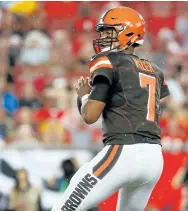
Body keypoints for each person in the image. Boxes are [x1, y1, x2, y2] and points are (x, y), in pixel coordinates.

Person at [52, 7, 170, 211]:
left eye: (109, 32)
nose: (103, 37)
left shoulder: (109, 62)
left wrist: (83, 96)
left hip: (124, 150)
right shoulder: (155, 70)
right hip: (153, 158)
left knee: (65, 208)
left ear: (129, 32)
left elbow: (90, 115)